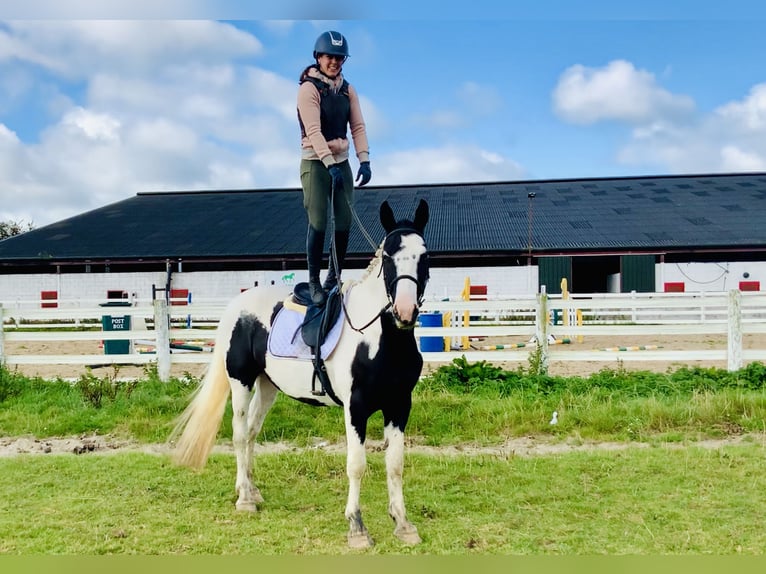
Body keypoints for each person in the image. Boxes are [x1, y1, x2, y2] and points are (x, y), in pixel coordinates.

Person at [297, 30, 372, 306]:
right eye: (330, 57)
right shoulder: (308, 89)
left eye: (340, 58)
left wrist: (363, 159)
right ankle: (314, 281)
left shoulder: (347, 90)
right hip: (316, 163)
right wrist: (328, 164)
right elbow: (314, 131)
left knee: (344, 222)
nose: (335, 63)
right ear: (319, 57)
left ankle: (333, 278)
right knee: (318, 221)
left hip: (341, 162)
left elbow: (358, 126)